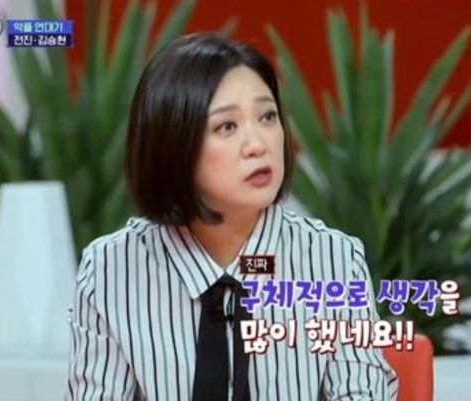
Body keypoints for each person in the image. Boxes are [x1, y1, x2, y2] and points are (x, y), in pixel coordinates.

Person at [65, 32, 398, 401]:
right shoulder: (111, 270)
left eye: (267, 116)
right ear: (172, 145)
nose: (258, 144)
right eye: (227, 126)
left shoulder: (332, 261)